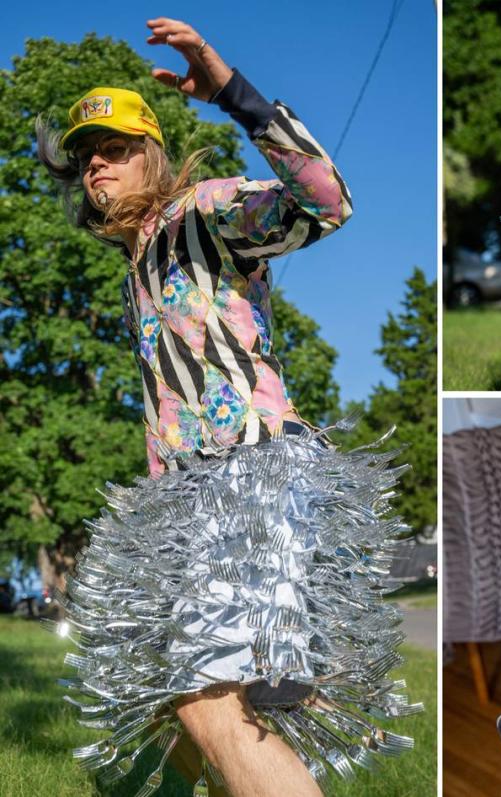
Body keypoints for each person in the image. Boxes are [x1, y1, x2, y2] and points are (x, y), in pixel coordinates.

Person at [36, 17, 420, 797]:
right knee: (185, 727)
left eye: (111, 149)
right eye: (83, 157)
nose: (95, 166)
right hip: (188, 502)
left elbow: (326, 201)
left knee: (208, 706)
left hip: (247, 482)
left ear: (149, 153)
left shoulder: (199, 214)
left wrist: (231, 92)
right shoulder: (139, 260)